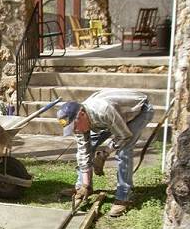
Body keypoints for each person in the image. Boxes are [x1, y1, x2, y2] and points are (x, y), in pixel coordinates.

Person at [56, 89, 154, 217]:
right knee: (88, 146)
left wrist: (104, 154)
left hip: (138, 110)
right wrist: (85, 184)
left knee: (124, 150)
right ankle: (84, 188)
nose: (76, 130)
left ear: (81, 114)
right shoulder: (80, 122)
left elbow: (124, 136)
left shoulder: (103, 110)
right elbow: (83, 152)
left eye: (75, 126)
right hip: (113, 116)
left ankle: (124, 196)